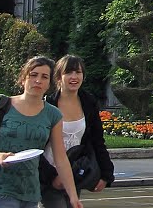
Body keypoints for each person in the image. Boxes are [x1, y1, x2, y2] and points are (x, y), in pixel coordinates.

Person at [0, 56, 82, 208]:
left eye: (44, 77)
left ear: (49, 84)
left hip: (30, 193)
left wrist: (73, 196)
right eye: (33, 75)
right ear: (23, 79)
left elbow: (60, 159)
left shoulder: (53, 115)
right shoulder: (0, 106)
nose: (38, 80)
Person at [39, 55, 114, 208]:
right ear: (59, 77)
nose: (74, 77)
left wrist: (106, 174)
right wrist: (52, 177)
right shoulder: (48, 105)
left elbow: (97, 140)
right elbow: (37, 145)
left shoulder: (88, 102)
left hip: (74, 173)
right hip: (48, 177)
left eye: (78, 72)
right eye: (68, 72)